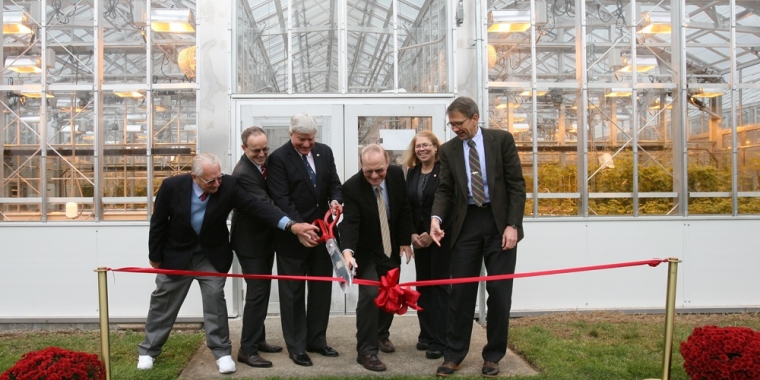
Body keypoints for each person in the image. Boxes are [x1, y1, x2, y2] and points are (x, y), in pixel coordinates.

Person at [137, 153, 318, 374]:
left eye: (219, 177)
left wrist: (292, 225)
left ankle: (222, 352)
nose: (217, 184)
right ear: (194, 177)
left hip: (210, 256)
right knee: (164, 300)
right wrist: (155, 257)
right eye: (210, 181)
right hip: (177, 255)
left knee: (215, 298)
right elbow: (158, 223)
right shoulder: (171, 186)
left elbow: (257, 206)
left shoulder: (229, 185)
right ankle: (148, 351)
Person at [429, 96, 526, 378]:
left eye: (459, 123)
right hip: (466, 224)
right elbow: (445, 190)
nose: (455, 129)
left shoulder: (502, 140)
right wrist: (435, 219)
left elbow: (516, 186)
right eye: (451, 125)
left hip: (499, 225)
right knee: (460, 292)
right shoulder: (448, 150)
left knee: (499, 293)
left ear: (475, 118)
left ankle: (493, 356)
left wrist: (513, 225)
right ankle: (454, 354)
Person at [267, 113, 343, 367]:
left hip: (324, 237)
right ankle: (297, 346)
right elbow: (281, 199)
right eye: (301, 139)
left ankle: (317, 340)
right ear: (291, 134)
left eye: (311, 139)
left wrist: (335, 201)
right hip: (293, 239)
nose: (307, 144)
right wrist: (302, 228)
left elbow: (334, 183)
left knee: (321, 290)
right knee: (292, 294)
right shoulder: (278, 159)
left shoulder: (325, 152)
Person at [339, 144, 413, 372]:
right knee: (371, 295)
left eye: (379, 170)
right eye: (368, 170)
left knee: (390, 293)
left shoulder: (397, 175)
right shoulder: (351, 187)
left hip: (389, 247)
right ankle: (367, 351)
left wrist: (404, 240)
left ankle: (381, 334)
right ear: (361, 166)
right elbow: (350, 222)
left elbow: (402, 208)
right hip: (365, 250)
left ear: (387, 163)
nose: (374, 176)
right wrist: (348, 252)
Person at [230, 127, 283, 368]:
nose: (263, 154)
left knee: (260, 290)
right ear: (244, 149)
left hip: (264, 240)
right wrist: (292, 224)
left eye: (265, 149)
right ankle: (247, 349)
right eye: (256, 151)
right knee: (257, 293)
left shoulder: (264, 164)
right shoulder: (243, 173)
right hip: (250, 242)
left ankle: (258, 339)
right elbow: (264, 204)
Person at [403, 130, 451, 360]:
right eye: (418, 146)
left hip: (441, 239)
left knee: (440, 289)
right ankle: (426, 334)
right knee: (423, 288)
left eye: (426, 145)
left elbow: (449, 204)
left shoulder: (444, 171)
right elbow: (408, 207)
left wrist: (432, 235)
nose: (421, 149)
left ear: (435, 148)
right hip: (419, 241)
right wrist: (413, 234)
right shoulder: (412, 173)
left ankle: (440, 340)